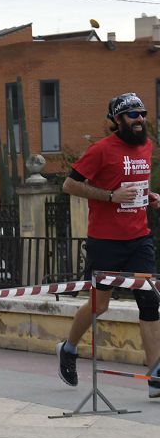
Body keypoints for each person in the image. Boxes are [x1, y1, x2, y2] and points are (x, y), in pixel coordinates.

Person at [57, 93, 160, 395]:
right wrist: (110, 196)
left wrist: (150, 196)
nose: (139, 119)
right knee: (99, 305)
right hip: (106, 241)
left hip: (139, 238)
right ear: (117, 121)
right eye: (131, 115)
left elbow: (136, 183)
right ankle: (68, 347)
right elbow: (69, 184)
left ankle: (155, 375)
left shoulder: (146, 146)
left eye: (141, 113)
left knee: (150, 302)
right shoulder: (100, 150)